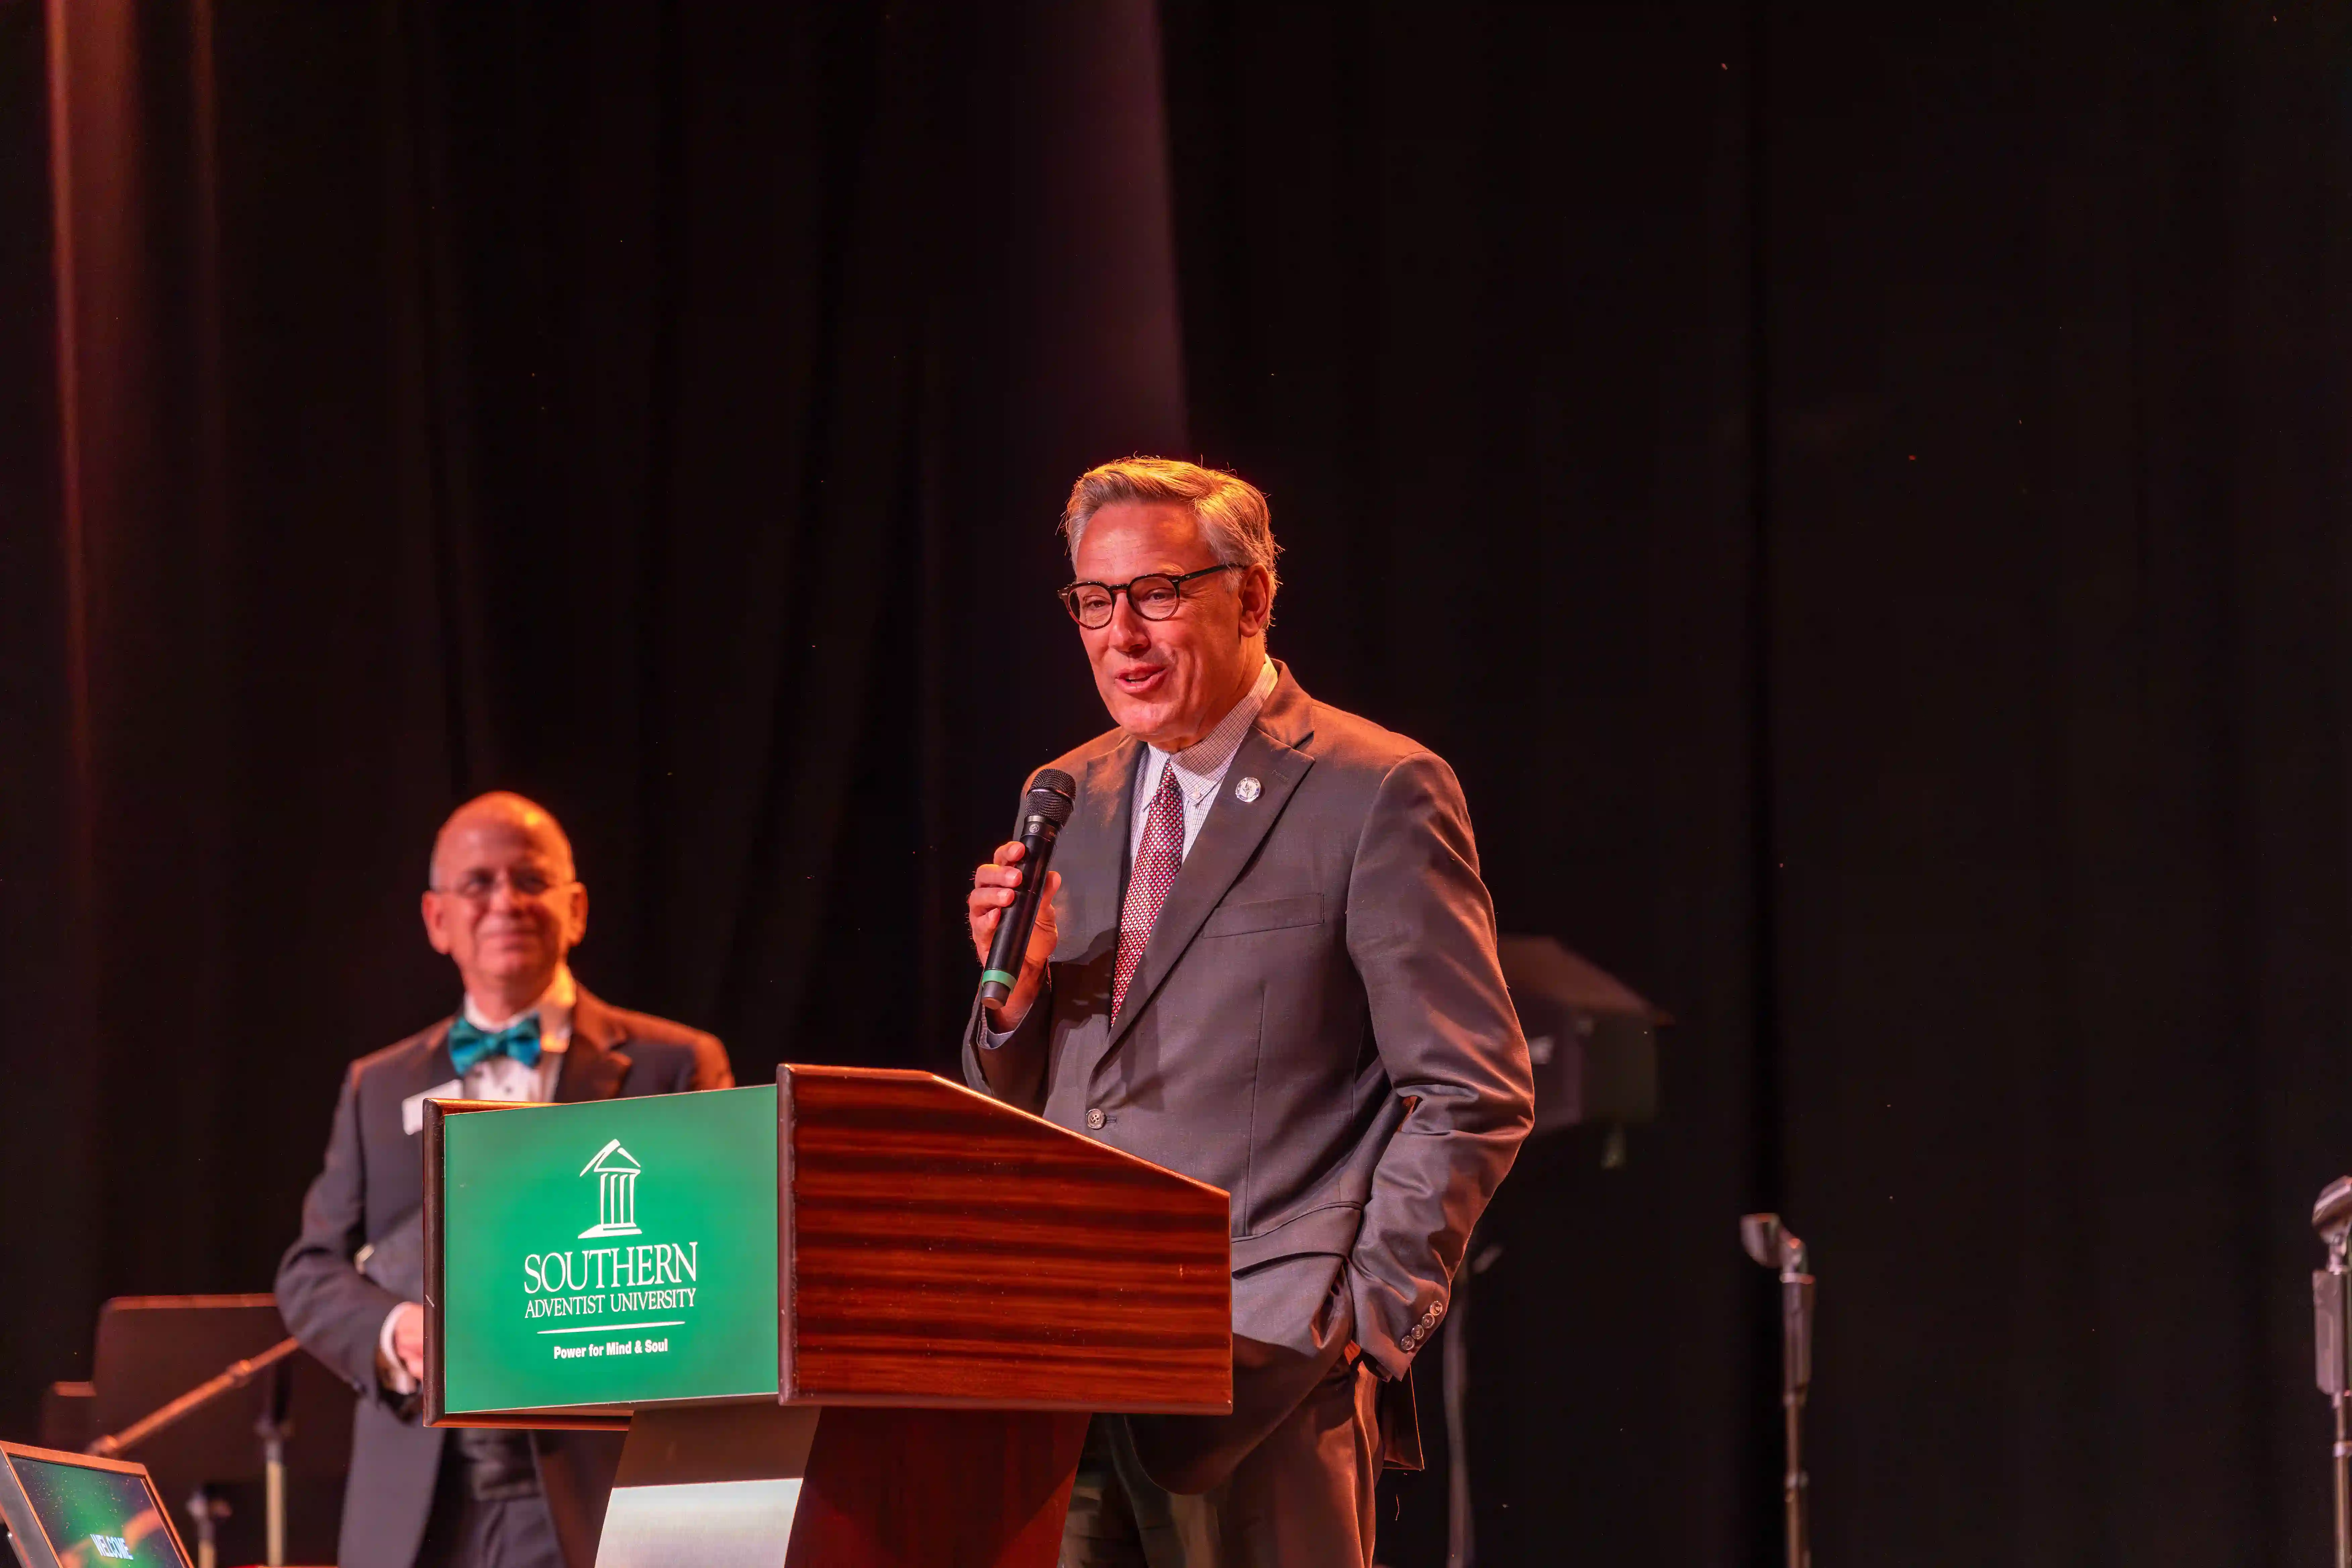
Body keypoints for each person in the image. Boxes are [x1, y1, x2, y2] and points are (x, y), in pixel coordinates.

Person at [965, 457, 1535, 1567]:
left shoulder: (1375, 788)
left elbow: (1470, 1089)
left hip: (1263, 1377)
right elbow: (1033, 1098)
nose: (1121, 635)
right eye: (1094, 601)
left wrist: (1363, 1325)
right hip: (1063, 1374)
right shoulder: (1067, 792)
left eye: (1157, 593)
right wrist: (1015, 1005)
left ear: (1254, 597)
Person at [277, 792, 731, 1568]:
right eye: (478, 883)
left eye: (530, 880)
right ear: (437, 919)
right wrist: (397, 1331)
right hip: (420, 1506)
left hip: (603, 1491)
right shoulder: (377, 1085)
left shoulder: (675, 1064)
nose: (505, 902)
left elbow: (722, 1259)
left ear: (576, 908)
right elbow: (310, 1270)